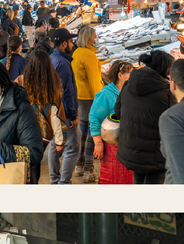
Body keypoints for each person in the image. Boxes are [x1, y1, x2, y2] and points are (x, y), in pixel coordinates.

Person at [114, 50, 174, 185]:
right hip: (155, 155)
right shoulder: (167, 92)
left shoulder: (128, 84)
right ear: (164, 68)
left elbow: (118, 111)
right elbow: (173, 122)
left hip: (132, 149)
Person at [23, 48, 67, 184]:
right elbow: (55, 116)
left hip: (23, 131)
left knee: (27, 165)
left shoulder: (22, 81)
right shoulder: (53, 87)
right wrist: (59, 141)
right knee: (35, 163)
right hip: (42, 135)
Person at [90, 60, 134, 185]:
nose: (133, 77)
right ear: (120, 75)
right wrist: (98, 143)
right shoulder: (105, 95)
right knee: (112, 178)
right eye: (130, 73)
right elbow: (94, 118)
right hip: (111, 145)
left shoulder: (129, 92)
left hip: (127, 145)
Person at [71, 26, 103, 182]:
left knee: (82, 132)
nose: (96, 37)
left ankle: (79, 164)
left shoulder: (77, 52)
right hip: (90, 98)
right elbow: (94, 81)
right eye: (94, 35)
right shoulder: (89, 55)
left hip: (79, 96)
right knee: (92, 131)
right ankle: (89, 169)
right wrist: (100, 99)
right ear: (89, 37)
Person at [49, 29, 80, 184]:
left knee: (55, 143)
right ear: (64, 44)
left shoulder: (52, 58)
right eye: (71, 42)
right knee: (72, 147)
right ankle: (63, 183)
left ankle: (55, 180)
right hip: (63, 111)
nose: (72, 45)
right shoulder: (63, 63)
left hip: (54, 109)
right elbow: (67, 92)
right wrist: (72, 115)